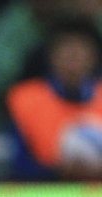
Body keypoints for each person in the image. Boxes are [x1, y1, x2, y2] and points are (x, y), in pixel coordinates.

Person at [6, 19, 102, 180]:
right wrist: (59, 172)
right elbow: (20, 165)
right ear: (51, 55)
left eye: (81, 47)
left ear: (94, 55)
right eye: (65, 47)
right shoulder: (25, 98)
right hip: (45, 196)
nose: (73, 54)